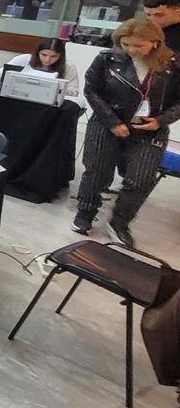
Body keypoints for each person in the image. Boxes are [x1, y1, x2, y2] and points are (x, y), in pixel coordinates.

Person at [72, 18, 180, 247]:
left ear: (155, 42)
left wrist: (160, 121)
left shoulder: (172, 64)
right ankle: (85, 213)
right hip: (107, 122)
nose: (131, 50)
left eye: (138, 45)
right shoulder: (107, 58)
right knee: (97, 172)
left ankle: (119, 222)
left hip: (149, 129)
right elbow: (92, 90)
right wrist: (112, 121)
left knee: (141, 179)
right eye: (125, 44)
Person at [0, 38, 81, 97]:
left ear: (61, 56)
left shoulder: (68, 67)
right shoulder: (23, 59)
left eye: (53, 56)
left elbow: (74, 91)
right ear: (37, 53)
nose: (47, 59)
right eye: (44, 55)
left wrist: (56, 89)